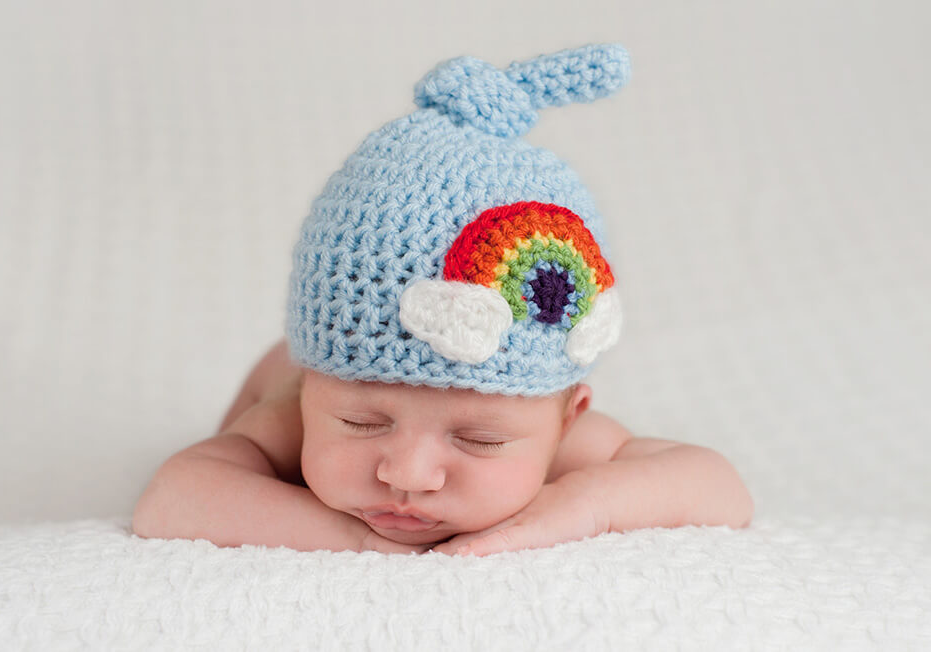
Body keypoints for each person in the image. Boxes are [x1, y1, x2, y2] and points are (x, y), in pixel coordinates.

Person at [132, 44, 753, 556]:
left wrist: (579, 507)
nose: (407, 475)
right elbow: (172, 497)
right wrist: (352, 539)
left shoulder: (570, 443)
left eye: (479, 441)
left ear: (569, 417)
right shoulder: (290, 417)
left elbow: (721, 488)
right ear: (311, 385)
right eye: (360, 423)